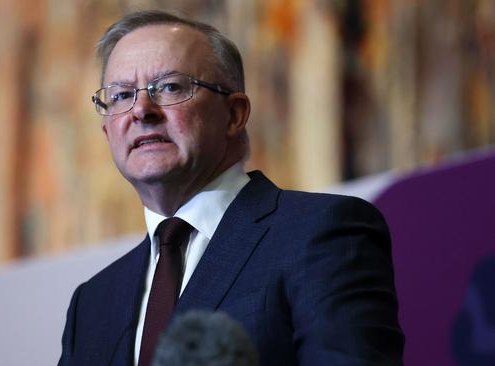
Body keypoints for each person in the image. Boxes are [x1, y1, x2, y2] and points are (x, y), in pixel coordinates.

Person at [59, 10, 404, 366]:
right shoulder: (92, 304)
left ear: (235, 114)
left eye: (169, 87)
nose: (142, 110)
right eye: (121, 95)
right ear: (107, 132)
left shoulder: (320, 233)